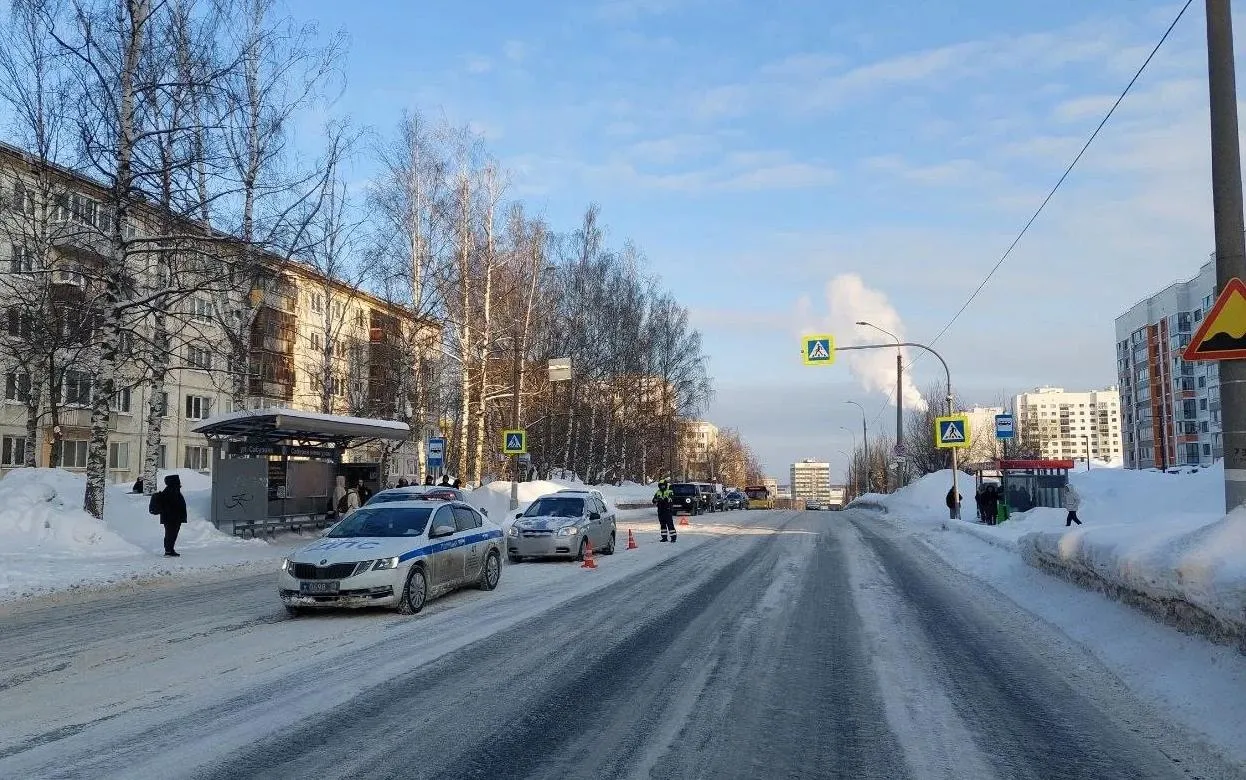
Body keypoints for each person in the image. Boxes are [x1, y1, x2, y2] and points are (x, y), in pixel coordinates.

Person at [148, 474, 187, 557]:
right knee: (170, 534)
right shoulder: (171, 491)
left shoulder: (172, 490)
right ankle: (168, 551)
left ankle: (170, 549)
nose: (179, 482)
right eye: (178, 480)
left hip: (172, 517)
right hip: (172, 518)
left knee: (171, 534)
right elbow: (172, 505)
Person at [652, 478, 676, 543]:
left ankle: (673, 538)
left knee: (670, 524)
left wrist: (666, 499)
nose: (662, 487)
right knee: (662, 525)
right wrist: (657, 500)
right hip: (660, 510)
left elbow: (672, 499)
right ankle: (664, 537)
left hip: (667, 510)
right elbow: (653, 500)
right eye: (661, 485)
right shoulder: (658, 492)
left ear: (666, 485)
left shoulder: (669, 491)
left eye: (663, 485)